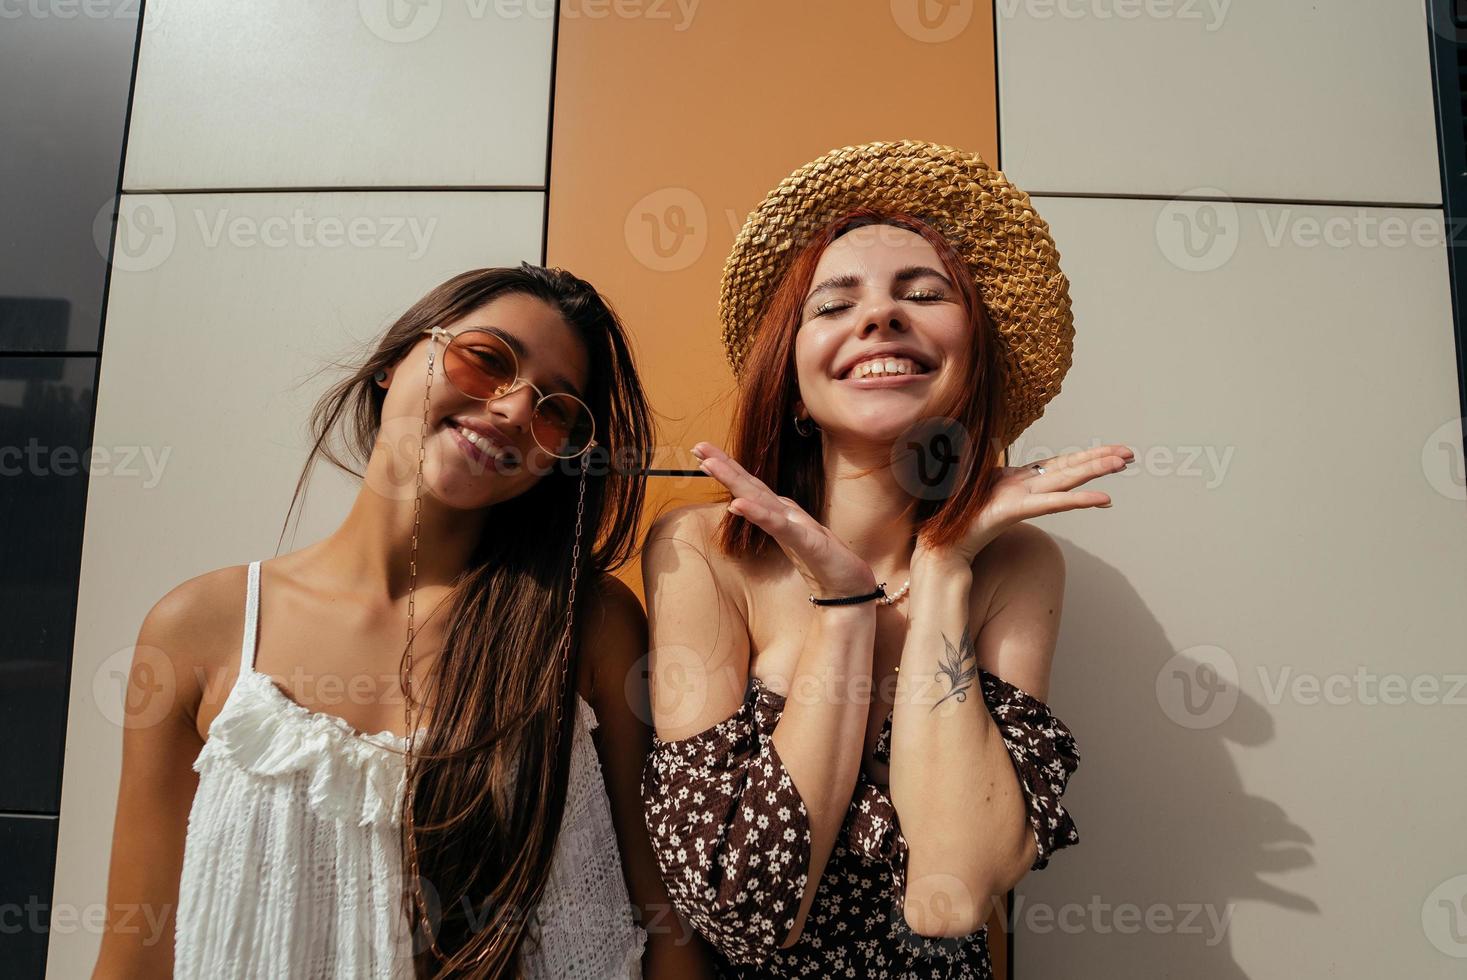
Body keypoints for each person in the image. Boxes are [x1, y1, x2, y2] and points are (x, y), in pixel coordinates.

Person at [93, 264, 710, 978]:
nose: (513, 410)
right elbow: (135, 952)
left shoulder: (585, 626)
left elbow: (665, 924)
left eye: (554, 411)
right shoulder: (200, 626)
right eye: (485, 359)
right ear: (394, 362)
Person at [640, 141, 1130, 978]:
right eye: (834, 305)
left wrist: (942, 567)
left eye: (922, 294)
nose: (879, 318)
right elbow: (748, 912)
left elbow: (950, 897)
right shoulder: (703, 552)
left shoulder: (1016, 566)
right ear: (793, 383)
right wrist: (842, 608)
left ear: (971, 363)